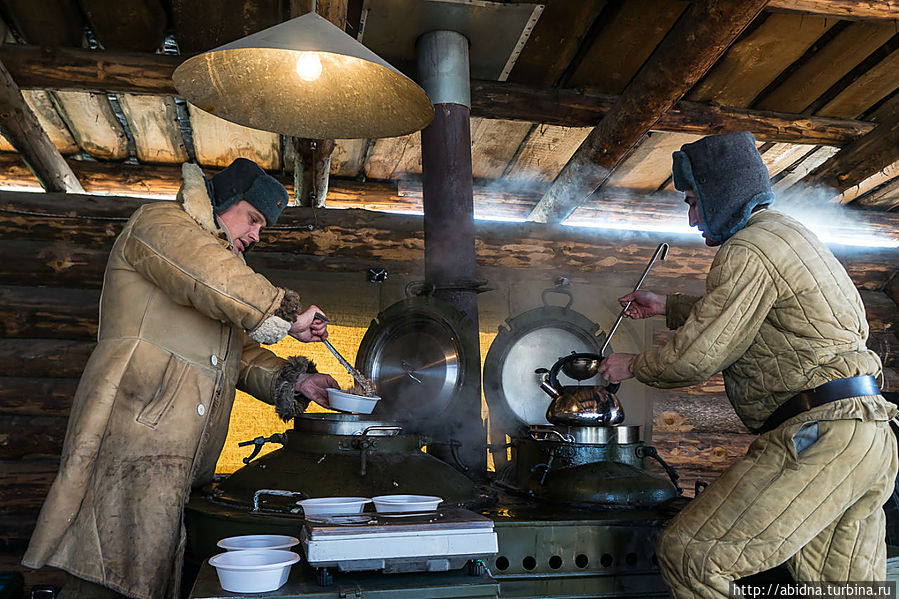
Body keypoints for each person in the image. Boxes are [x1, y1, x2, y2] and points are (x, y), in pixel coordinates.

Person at [22, 158, 340, 599]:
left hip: (177, 459)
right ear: (224, 199)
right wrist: (285, 314)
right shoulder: (160, 225)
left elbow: (240, 356)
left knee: (148, 579)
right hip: (133, 438)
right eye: (253, 219)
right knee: (107, 576)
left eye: (262, 227)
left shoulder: (219, 276)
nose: (255, 235)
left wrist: (297, 381)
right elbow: (209, 275)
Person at [598, 131, 897, 598]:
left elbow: (696, 357)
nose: (692, 217)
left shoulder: (746, 250)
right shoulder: (787, 235)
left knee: (692, 555)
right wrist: (668, 306)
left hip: (819, 436)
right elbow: (757, 315)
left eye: (695, 201)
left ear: (723, 193)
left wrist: (631, 365)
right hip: (866, 437)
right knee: (841, 590)